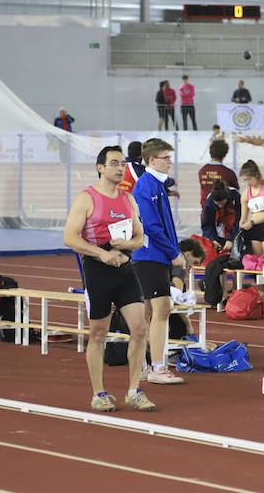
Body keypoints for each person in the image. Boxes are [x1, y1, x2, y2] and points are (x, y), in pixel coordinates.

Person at [62, 145, 154, 412]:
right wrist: (100, 255)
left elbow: (140, 237)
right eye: (114, 163)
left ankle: (134, 390)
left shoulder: (128, 199)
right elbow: (69, 237)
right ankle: (98, 394)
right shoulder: (87, 198)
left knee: (140, 328)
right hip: (98, 269)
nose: (120, 168)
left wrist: (128, 243)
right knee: (98, 333)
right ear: (100, 167)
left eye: (122, 163)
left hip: (125, 269)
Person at [131, 138, 187, 385]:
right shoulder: (146, 186)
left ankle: (145, 365)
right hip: (150, 255)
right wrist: (174, 253)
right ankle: (157, 367)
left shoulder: (156, 185)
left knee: (152, 310)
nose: (169, 162)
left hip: (155, 256)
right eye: (166, 158)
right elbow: (152, 226)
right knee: (162, 309)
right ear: (152, 159)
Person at [238, 160, 264, 257]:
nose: (247, 183)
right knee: (256, 262)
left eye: (249, 179)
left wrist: (252, 222)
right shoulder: (245, 194)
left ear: (256, 175)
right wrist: (242, 227)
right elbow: (243, 218)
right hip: (253, 229)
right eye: (244, 180)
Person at [201, 179, 241, 253]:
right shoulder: (210, 201)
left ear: (227, 197)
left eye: (222, 203)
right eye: (217, 204)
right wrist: (213, 239)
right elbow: (207, 224)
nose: (220, 206)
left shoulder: (235, 197)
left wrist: (231, 239)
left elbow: (239, 220)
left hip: (232, 231)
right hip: (218, 233)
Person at [198, 138, 239, 209]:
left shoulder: (202, 171)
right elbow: (235, 192)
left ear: (210, 152)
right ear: (225, 154)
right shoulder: (229, 173)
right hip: (224, 215)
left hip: (206, 211)